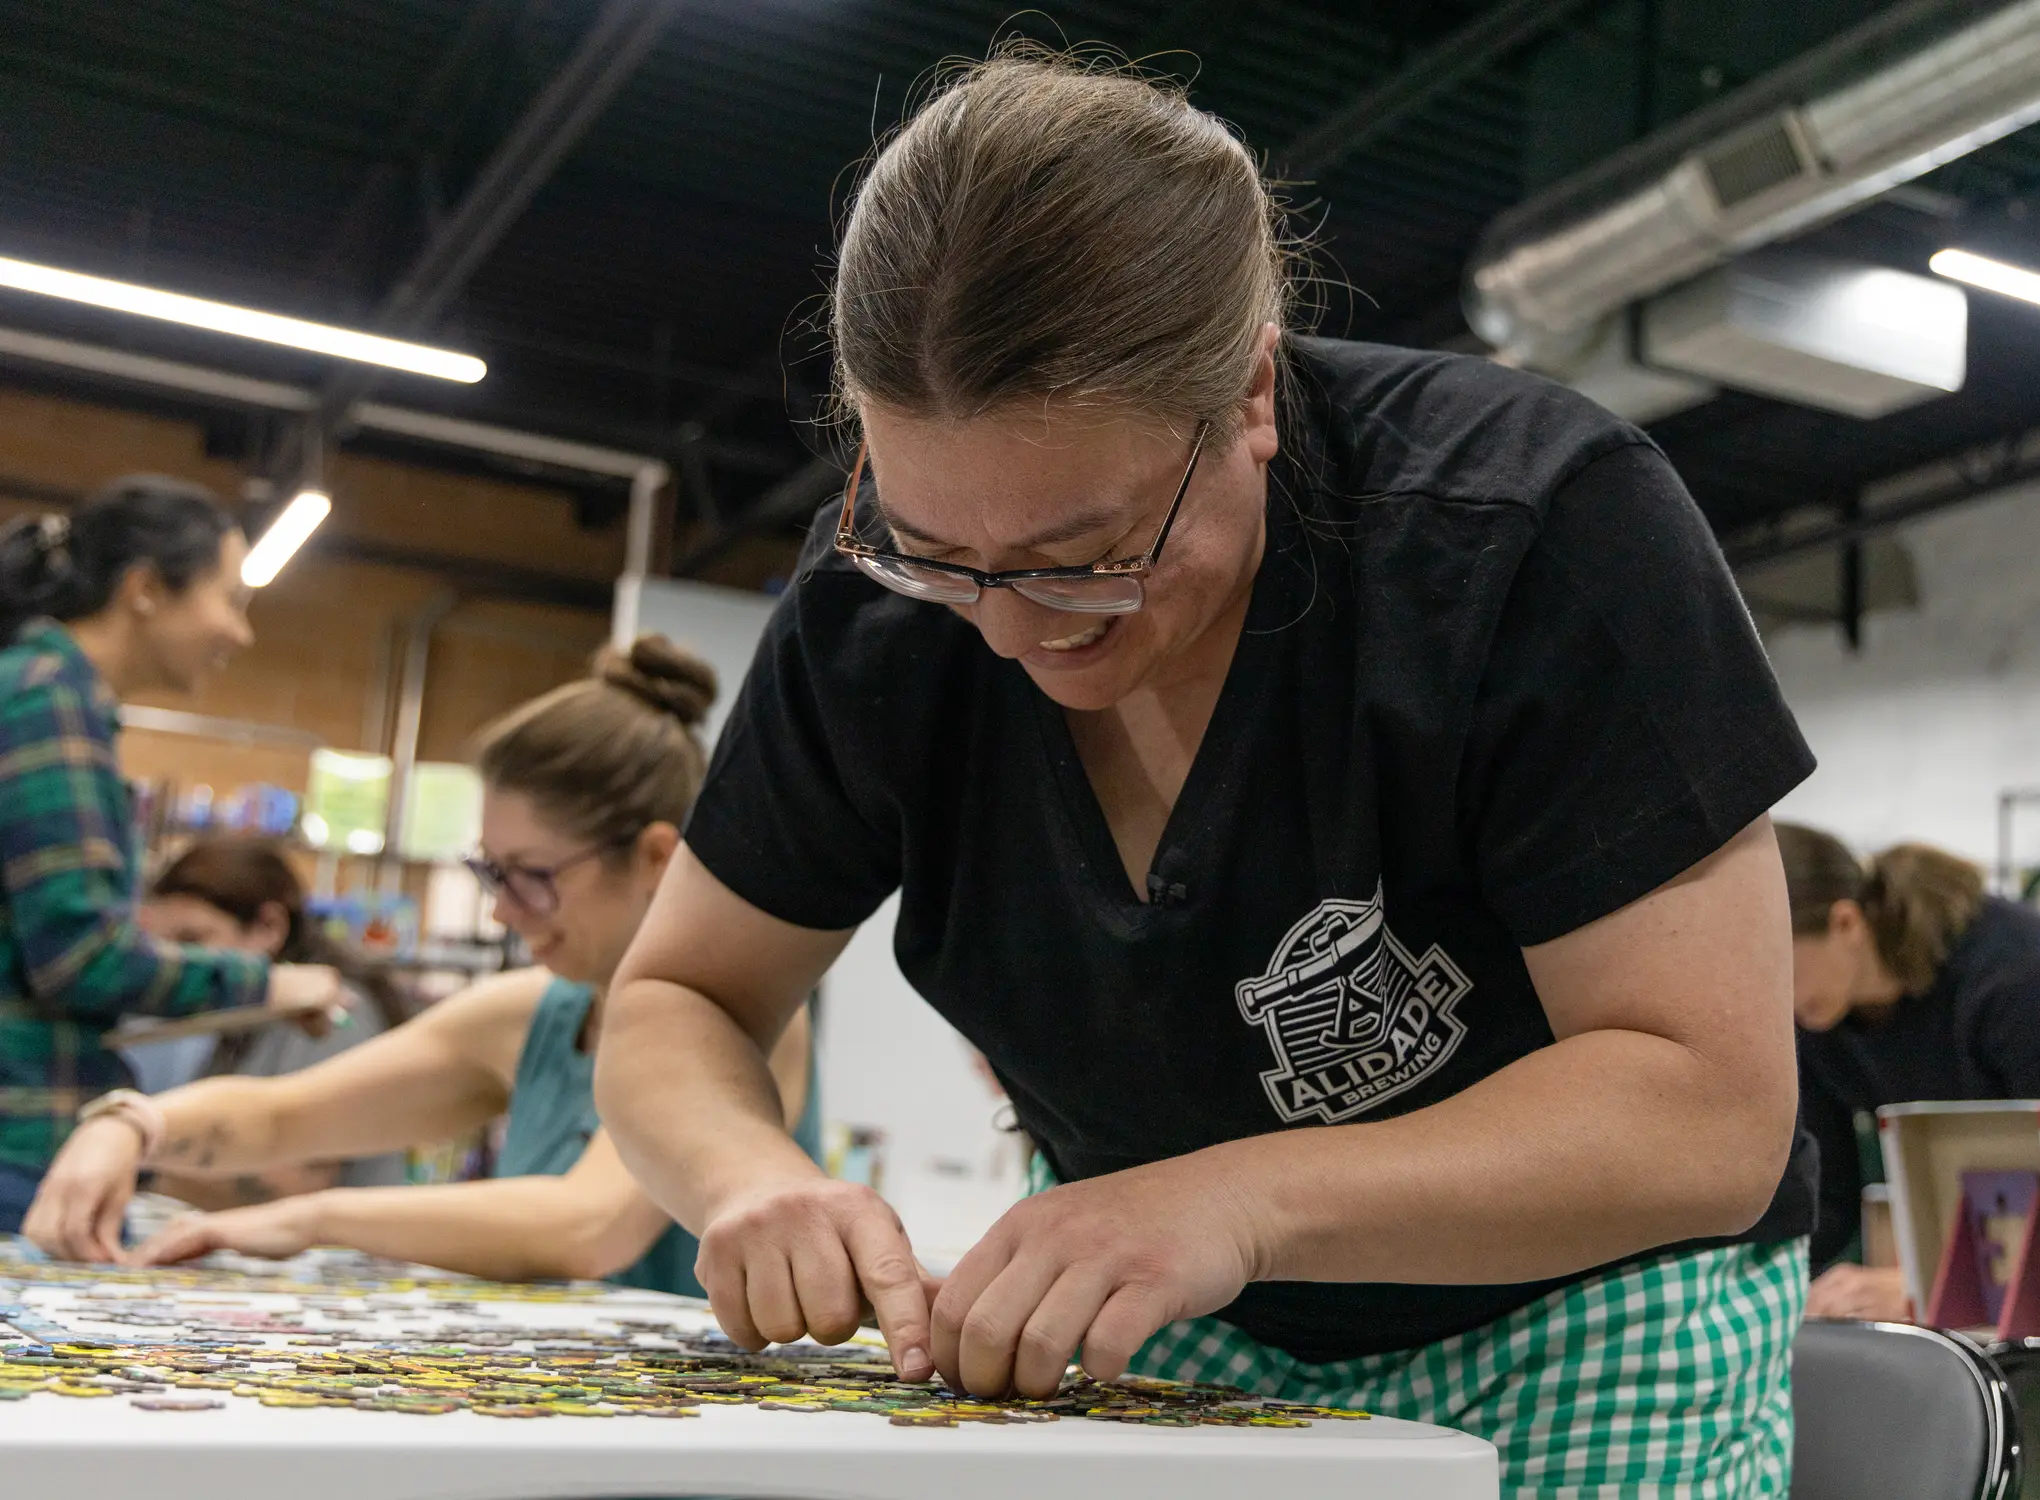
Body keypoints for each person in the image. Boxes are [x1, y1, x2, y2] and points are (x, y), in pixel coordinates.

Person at [595, 50, 1817, 1496]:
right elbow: (677, 1001)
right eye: (936, 549)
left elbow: (1707, 1112)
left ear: (1250, 388)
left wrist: (1233, 1200)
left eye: (1090, 555)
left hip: (1577, 1310)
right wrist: (752, 1178)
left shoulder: (1528, 530)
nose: (1014, 627)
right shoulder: (880, 622)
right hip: (1162, 1305)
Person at [22, 636, 818, 1296]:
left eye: (532, 877)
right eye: (490, 873)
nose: (502, 912)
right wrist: (130, 1124)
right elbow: (284, 1115)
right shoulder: (537, 1010)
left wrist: (313, 1218)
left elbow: (587, 1227)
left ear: (652, 858)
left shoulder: (747, 1014)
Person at [0, 476, 346, 1234]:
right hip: (19, 1144)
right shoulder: (47, 698)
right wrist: (268, 984)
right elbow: (82, 958)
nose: (240, 633)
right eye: (229, 600)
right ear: (146, 589)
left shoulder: (44, 690)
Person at [1780, 824, 2040, 1327]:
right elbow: (1826, 1208)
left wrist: (1926, 1287)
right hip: (1998, 1248)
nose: (1770, 997)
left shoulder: (2015, 978)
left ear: (1845, 923)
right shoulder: (1819, 1013)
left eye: (1780, 966)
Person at [132, 833, 418, 1201]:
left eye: (193, 940)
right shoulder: (242, 1019)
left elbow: (292, 1181)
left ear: (269, 927)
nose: (181, 964)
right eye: (162, 948)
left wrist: (127, 1163)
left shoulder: (333, 1012)